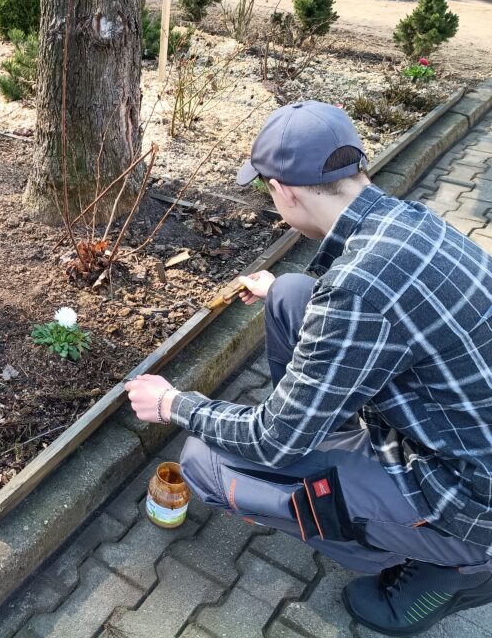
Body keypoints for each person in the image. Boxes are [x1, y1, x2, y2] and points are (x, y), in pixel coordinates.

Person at [126, 100, 492, 636]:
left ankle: (455, 566)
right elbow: (375, 314)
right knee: (293, 294)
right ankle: (330, 455)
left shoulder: (357, 291)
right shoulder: (407, 220)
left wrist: (172, 403)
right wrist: (293, 299)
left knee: (203, 462)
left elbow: (271, 440)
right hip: (454, 432)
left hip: (466, 498)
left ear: (283, 191)